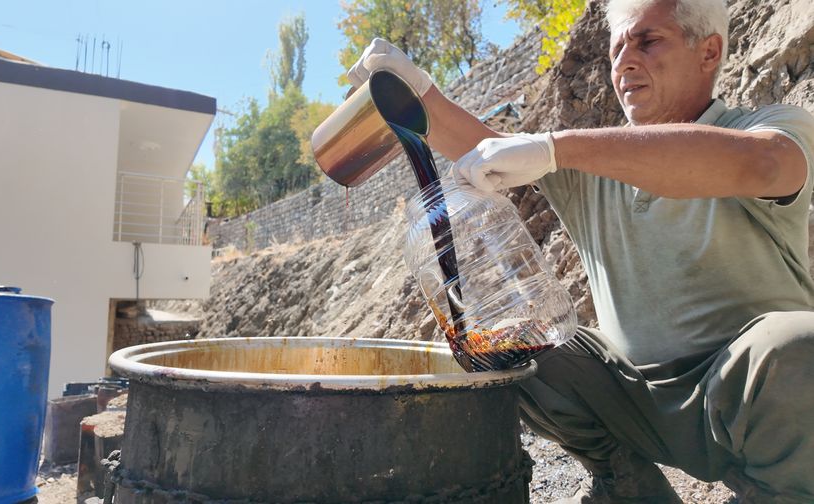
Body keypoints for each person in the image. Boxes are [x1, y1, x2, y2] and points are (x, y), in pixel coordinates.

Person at [347, 0, 814, 502]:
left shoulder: (768, 126)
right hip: (634, 402)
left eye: (647, 41)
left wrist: (556, 146)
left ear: (709, 52)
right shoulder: (594, 168)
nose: (624, 62)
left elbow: (765, 164)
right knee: (505, 340)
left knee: (797, 343)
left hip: (748, 398)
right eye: (616, 49)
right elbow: (484, 148)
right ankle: (627, 484)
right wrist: (417, 92)